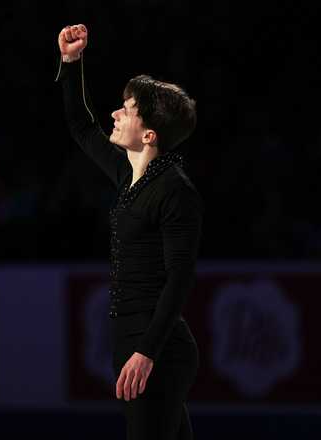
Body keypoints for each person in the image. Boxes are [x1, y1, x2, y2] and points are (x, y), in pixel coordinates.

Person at [55, 24, 203, 440]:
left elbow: (180, 277)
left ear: (150, 134)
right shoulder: (128, 173)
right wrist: (71, 62)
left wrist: (146, 352)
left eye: (127, 109)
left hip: (157, 349)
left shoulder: (175, 192)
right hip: (137, 342)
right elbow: (82, 127)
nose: (116, 114)